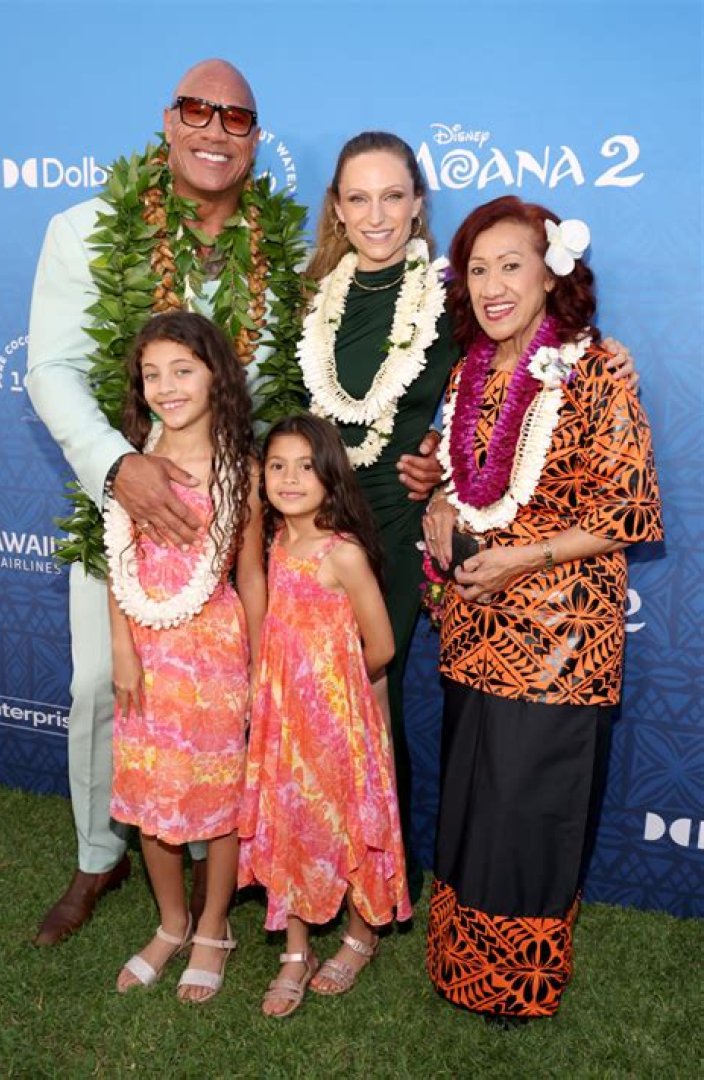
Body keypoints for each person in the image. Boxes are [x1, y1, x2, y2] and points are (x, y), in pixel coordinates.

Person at [297, 131, 638, 904]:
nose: (376, 214)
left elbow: (619, 499)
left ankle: (389, 900)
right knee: (336, 715)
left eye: (392, 196)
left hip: (478, 582)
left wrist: (599, 347)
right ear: (336, 209)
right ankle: (323, 880)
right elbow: (453, 444)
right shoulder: (327, 307)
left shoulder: (467, 309)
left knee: (398, 715)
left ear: (418, 204)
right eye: (358, 197)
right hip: (368, 556)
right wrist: (442, 486)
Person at [25, 58, 306, 945]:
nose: (214, 129)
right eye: (196, 109)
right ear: (167, 120)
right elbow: (51, 369)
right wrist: (120, 469)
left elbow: (307, 377)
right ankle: (98, 852)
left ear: (254, 139)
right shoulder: (86, 229)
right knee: (102, 686)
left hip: (235, 516)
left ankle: (233, 845)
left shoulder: (287, 251)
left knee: (228, 697)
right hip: (124, 512)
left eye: (235, 117)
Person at [423, 196, 663, 1024]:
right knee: (475, 805)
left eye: (511, 265)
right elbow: (461, 480)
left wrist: (522, 559)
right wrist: (441, 507)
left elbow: (629, 510)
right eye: (477, 269)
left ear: (552, 274)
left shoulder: (596, 369)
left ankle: (514, 985)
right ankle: (459, 964)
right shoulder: (470, 371)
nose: (493, 286)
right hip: (474, 628)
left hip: (560, 641)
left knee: (527, 812)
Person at [107, 311, 265, 1002]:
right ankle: (171, 923)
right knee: (151, 795)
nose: (166, 387)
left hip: (214, 653)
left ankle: (212, 927)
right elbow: (117, 562)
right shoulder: (131, 463)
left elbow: (250, 574)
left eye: (182, 370)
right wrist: (122, 647)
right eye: (152, 375)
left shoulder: (240, 469)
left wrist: (259, 665)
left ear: (215, 376)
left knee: (219, 798)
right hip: (145, 650)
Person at [238, 414, 411, 1018]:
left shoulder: (344, 554)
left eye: (305, 467)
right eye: (277, 466)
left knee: (351, 821)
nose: (289, 479)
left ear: (331, 475)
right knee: (291, 821)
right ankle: (295, 950)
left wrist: (332, 694)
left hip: (340, 726)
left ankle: (361, 936)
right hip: (285, 725)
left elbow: (381, 646)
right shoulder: (277, 543)